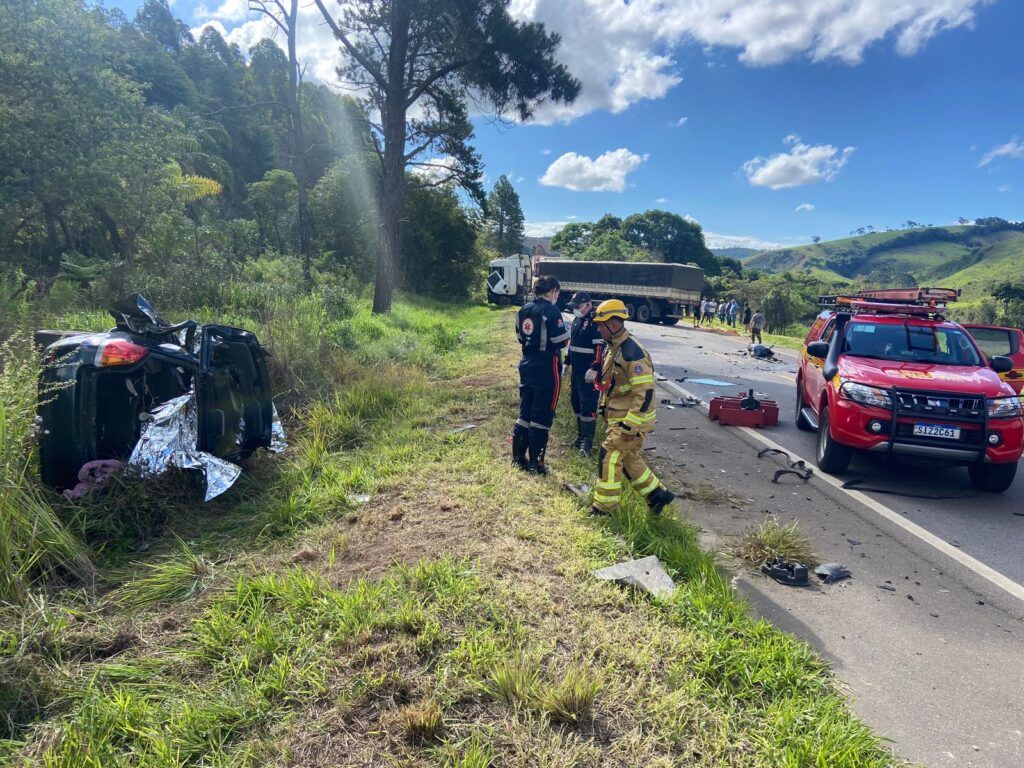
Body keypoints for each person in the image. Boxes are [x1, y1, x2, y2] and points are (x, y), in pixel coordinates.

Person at [589, 299, 676, 516]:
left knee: (608, 456)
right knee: (628, 459)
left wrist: (630, 425)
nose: (599, 328)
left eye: (601, 324)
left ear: (614, 324)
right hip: (620, 417)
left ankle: (604, 508)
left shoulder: (632, 352)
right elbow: (615, 386)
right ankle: (657, 496)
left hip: (630, 421)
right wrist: (603, 406)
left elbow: (644, 393)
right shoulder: (615, 348)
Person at [512, 275, 569, 474]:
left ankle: (518, 458)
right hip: (547, 366)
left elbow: (520, 336)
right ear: (553, 291)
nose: (557, 297)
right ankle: (537, 464)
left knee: (525, 412)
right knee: (542, 415)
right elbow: (562, 342)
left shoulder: (524, 310)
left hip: (526, 363)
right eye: (558, 293)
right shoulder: (552, 311)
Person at [564, 291, 604, 455]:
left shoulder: (595, 322)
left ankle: (587, 442)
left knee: (588, 406)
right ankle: (580, 436)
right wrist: (566, 363)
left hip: (589, 373)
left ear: (588, 305)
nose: (576, 309)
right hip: (576, 370)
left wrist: (595, 368)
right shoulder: (577, 320)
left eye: (578, 306)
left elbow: (600, 348)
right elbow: (572, 345)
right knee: (576, 403)